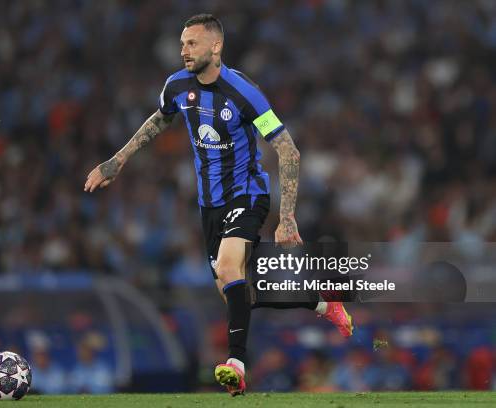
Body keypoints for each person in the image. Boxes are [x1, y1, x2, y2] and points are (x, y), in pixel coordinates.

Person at [84, 14, 353, 396]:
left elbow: (287, 149)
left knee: (230, 268)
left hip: (248, 193)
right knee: (241, 290)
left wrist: (287, 215)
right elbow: (160, 119)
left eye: (192, 44)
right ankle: (326, 305)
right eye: (181, 44)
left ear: (216, 46)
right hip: (209, 205)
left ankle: (236, 366)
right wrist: (118, 160)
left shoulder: (244, 92)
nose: (184, 51)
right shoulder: (177, 86)